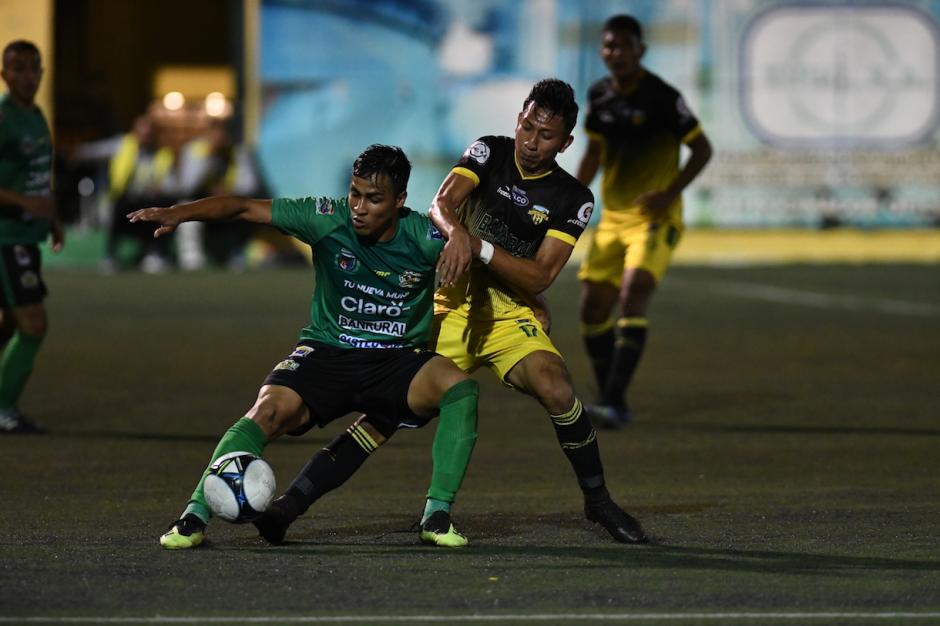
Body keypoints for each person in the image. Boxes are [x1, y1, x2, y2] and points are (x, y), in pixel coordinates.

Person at [259, 79, 648, 545]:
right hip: (450, 302)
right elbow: (441, 204)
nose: (531, 141)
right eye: (526, 126)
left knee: (557, 387)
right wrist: (456, 232)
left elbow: (540, 277)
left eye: (545, 135)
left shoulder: (573, 198)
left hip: (508, 315)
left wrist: (476, 244)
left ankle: (598, 500)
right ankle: (290, 506)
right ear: (518, 120)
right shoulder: (489, 152)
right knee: (384, 414)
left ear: (565, 142)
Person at [129, 144, 480, 549]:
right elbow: (244, 208)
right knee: (268, 410)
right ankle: (193, 515)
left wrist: (518, 291)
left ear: (400, 201)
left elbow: (488, 266)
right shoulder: (325, 218)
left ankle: (436, 515)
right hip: (328, 352)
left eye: (374, 199)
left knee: (461, 389)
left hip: (396, 359)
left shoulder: (424, 237)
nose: (359, 207)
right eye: (355, 193)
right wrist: (181, 212)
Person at [576, 15, 712, 428]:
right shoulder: (599, 95)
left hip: (655, 217)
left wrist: (669, 193)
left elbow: (702, 149)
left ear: (640, 50)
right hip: (614, 217)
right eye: (607, 46)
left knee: (633, 291)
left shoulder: (663, 98)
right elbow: (595, 153)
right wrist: (568, 199)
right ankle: (611, 399)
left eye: (621, 46)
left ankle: (614, 402)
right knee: (592, 308)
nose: (613, 53)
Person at [0, 40, 64, 434]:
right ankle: (4, 408)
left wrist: (51, 217)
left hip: (25, 236)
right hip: (6, 239)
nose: (26, 75)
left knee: (9, 325)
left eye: (32, 67)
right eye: (17, 67)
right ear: (4, 74)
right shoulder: (4, 119)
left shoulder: (36, 115)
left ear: (42, 72)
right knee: (33, 324)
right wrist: (25, 201)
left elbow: (38, 176)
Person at [174, 117, 261, 270]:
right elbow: (187, 186)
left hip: (229, 204)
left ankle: (236, 253)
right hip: (201, 202)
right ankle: (191, 255)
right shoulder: (193, 150)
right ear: (207, 134)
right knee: (184, 206)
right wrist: (208, 159)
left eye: (223, 132)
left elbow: (250, 185)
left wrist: (229, 190)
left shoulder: (238, 152)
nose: (219, 137)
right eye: (215, 132)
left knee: (250, 208)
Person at [101, 112, 177, 273]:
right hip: (124, 200)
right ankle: (111, 255)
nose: (146, 137)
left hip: (150, 201)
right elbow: (95, 151)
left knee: (164, 206)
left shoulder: (163, 154)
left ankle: (154, 252)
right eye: (142, 132)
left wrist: (161, 188)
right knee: (118, 207)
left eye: (150, 133)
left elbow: (171, 183)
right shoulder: (122, 145)